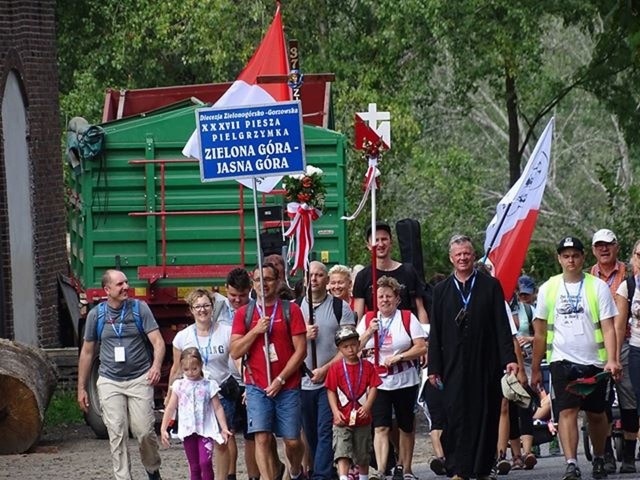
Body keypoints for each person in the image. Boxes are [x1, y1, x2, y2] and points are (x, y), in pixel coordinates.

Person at [428, 235, 518, 480]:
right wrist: (433, 368)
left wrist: (509, 358)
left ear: (473, 254)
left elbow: (502, 325)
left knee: (485, 414)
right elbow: (434, 332)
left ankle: (482, 468)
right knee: (455, 415)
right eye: (458, 254)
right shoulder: (441, 290)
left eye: (467, 253)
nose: (463, 258)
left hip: (485, 360)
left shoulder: (490, 285)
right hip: (452, 364)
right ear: (451, 258)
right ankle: (458, 468)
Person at [530, 236, 621, 480]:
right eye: (566, 256)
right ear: (559, 258)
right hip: (562, 360)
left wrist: (612, 359)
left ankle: (600, 457)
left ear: (583, 258)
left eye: (576, 255)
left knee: (596, 414)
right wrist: (536, 367)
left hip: (594, 361)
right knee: (566, 412)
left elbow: (609, 327)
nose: (571, 260)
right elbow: (539, 333)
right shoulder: (549, 288)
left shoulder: (597, 287)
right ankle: (571, 463)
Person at [77, 269, 165, 480]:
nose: (126, 287)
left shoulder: (139, 309)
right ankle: (123, 477)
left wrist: (156, 366)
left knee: (144, 431)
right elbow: (87, 352)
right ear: (107, 289)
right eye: (120, 284)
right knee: (117, 432)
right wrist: (81, 388)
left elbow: (158, 341)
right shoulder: (95, 315)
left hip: (139, 378)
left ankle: (153, 470)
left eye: (126, 282)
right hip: (109, 381)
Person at [230, 263, 307, 480]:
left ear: (278, 281)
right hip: (256, 385)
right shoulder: (244, 314)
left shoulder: (290, 310)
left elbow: (301, 351)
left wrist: (281, 379)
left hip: (287, 385)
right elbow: (235, 351)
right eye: (258, 280)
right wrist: (255, 331)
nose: (263, 284)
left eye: (269, 279)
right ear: (253, 284)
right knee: (261, 437)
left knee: (292, 440)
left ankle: (294, 470)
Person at [357, 276, 428, 480]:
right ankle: (380, 470)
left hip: (404, 379)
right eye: (380, 296)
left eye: (389, 296)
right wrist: (369, 332)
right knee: (380, 425)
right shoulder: (369, 319)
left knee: (406, 424)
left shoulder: (407, 318)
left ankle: (405, 468)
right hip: (378, 382)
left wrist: (400, 356)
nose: (384, 300)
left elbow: (421, 346)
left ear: (397, 298)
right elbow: (355, 348)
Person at [168, 288, 233, 480]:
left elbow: (237, 360)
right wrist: (169, 396)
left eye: (206, 305)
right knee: (197, 453)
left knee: (221, 441)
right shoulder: (182, 337)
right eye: (198, 306)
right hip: (195, 399)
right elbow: (176, 368)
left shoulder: (226, 332)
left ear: (213, 307)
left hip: (220, 392)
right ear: (191, 309)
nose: (202, 310)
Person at [299, 261, 356, 480]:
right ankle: (322, 468)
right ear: (305, 279)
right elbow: (287, 345)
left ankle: (321, 475)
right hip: (302, 381)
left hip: (330, 381)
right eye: (310, 275)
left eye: (319, 275)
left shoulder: (341, 307)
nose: (314, 279)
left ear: (327, 280)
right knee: (309, 432)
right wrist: (304, 336)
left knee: (325, 429)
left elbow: (349, 348)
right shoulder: (294, 308)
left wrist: (325, 369)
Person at [591, 228, 638, 474]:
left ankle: (629, 455)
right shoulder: (588, 276)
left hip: (627, 343)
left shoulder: (630, 274)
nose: (604, 249)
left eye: (608, 245)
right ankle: (606, 453)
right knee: (601, 401)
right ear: (593, 250)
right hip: (597, 346)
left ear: (617, 247)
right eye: (599, 246)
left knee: (628, 398)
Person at [161, 348, 232, 480]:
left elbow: (217, 407)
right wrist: (164, 427)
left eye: (194, 369)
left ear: (201, 366)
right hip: (188, 430)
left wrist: (224, 428)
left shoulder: (209, 384)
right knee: (194, 466)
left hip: (206, 429)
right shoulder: (179, 385)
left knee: (205, 463)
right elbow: (171, 407)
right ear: (182, 368)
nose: (191, 373)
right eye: (186, 369)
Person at [218, 268, 260, 480]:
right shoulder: (218, 309)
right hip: (225, 380)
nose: (236, 300)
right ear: (226, 289)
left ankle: (254, 476)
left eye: (242, 296)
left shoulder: (255, 311)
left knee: (252, 434)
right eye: (233, 295)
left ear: (249, 291)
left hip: (250, 378)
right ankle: (231, 475)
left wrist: (248, 378)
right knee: (228, 431)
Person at [325, 325, 382, 480]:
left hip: (362, 419)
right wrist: (335, 412)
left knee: (363, 452)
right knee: (342, 451)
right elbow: (330, 390)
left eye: (353, 345)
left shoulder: (368, 366)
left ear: (359, 344)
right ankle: (343, 477)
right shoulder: (335, 368)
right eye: (345, 347)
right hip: (342, 419)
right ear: (339, 349)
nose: (350, 349)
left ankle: (363, 477)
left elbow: (374, 386)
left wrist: (368, 406)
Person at [353, 222, 429, 323]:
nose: (380, 244)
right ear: (369, 245)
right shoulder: (363, 276)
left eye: (384, 239)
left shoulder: (408, 271)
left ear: (391, 242)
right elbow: (358, 316)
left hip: (407, 333)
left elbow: (420, 308)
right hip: (376, 333)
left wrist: (424, 334)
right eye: (376, 240)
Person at [613, 238, 640, 473]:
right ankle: (629, 456)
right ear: (632, 259)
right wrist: (614, 358)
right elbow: (619, 326)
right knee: (631, 402)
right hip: (635, 349)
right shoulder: (627, 286)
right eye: (639, 255)